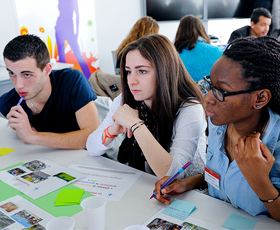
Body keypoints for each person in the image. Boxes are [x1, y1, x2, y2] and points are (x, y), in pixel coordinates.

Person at [154, 36, 280, 222]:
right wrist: (187, 182)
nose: (208, 98)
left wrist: (259, 181)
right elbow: (219, 174)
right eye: (211, 85)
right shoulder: (218, 123)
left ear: (260, 98)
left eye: (221, 91)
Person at [86, 34, 207, 179]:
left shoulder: (190, 108)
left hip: (191, 194)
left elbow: (174, 174)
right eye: (128, 71)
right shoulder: (125, 99)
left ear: (164, 71)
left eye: (142, 71)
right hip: (146, 184)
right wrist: (112, 131)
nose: (131, 81)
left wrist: (136, 125)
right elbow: (91, 147)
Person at [0, 34, 99, 149]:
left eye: (27, 74)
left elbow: (92, 137)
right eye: (12, 73)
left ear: (47, 70)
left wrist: (32, 136)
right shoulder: (9, 102)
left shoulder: (72, 81)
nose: (18, 85)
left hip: (86, 159)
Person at [174, 15, 223, 82]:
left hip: (183, 92)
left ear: (179, 32)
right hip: (212, 92)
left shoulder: (173, 55)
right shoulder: (219, 52)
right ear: (201, 30)